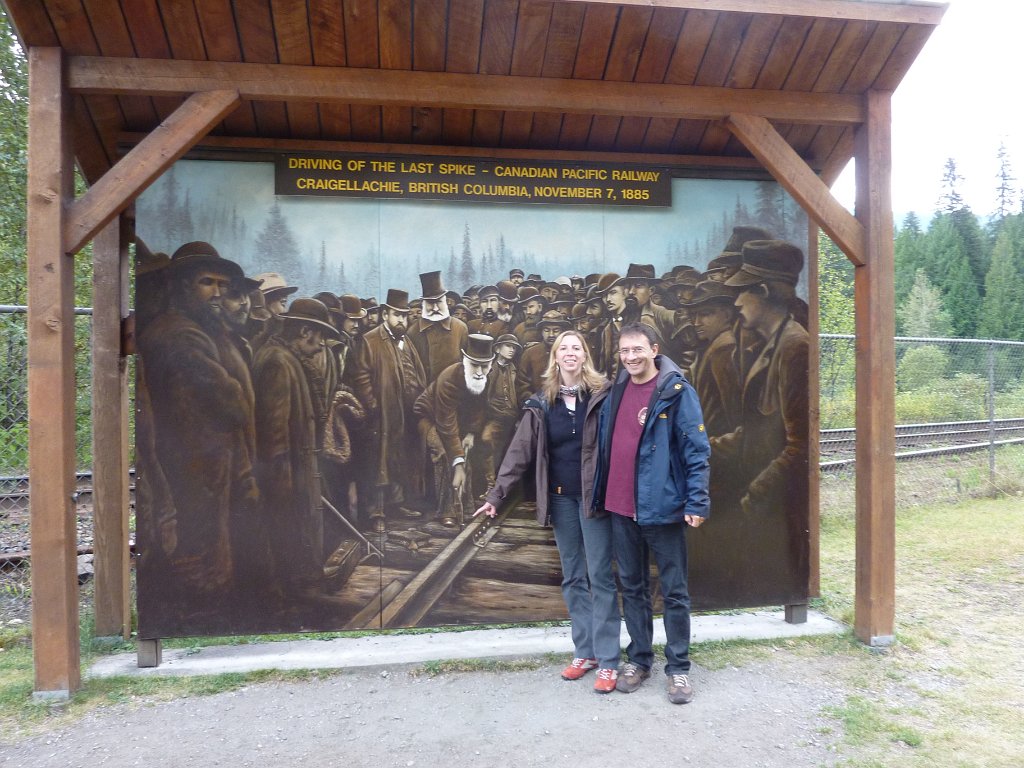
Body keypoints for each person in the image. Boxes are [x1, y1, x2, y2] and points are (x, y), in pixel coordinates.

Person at [475, 330, 619, 693]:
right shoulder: (542, 404)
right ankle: (584, 652)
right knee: (573, 576)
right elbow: (519, 452)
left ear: (585, 356)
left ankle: (609, 660)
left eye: (577, 348)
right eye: (563, 348)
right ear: (554, 358)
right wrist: (497, 494)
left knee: (600, 576)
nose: (570, 353)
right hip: (561, 499)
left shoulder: (603, 397)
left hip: (594, 500)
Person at [592, 322, 710, 704]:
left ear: (654, 349)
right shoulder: (619, 388)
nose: (630, 358)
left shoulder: (676, 392)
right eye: (624, 352)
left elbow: (697, 450)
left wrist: (696, 502)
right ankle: (639, 660)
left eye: (637, 350)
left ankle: (678, 670)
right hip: (621, 508)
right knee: (634, 587)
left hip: (663, 508)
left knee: (674, 592)